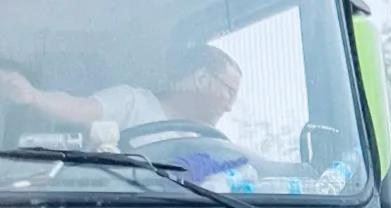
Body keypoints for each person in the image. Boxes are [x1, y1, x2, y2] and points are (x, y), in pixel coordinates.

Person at [0, 45, 241, 131]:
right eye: (229, 92)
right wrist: (34, 96)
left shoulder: (205, 140)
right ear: (202, 79)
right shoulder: (134, 103)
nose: (230, 106)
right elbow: (78, 108)